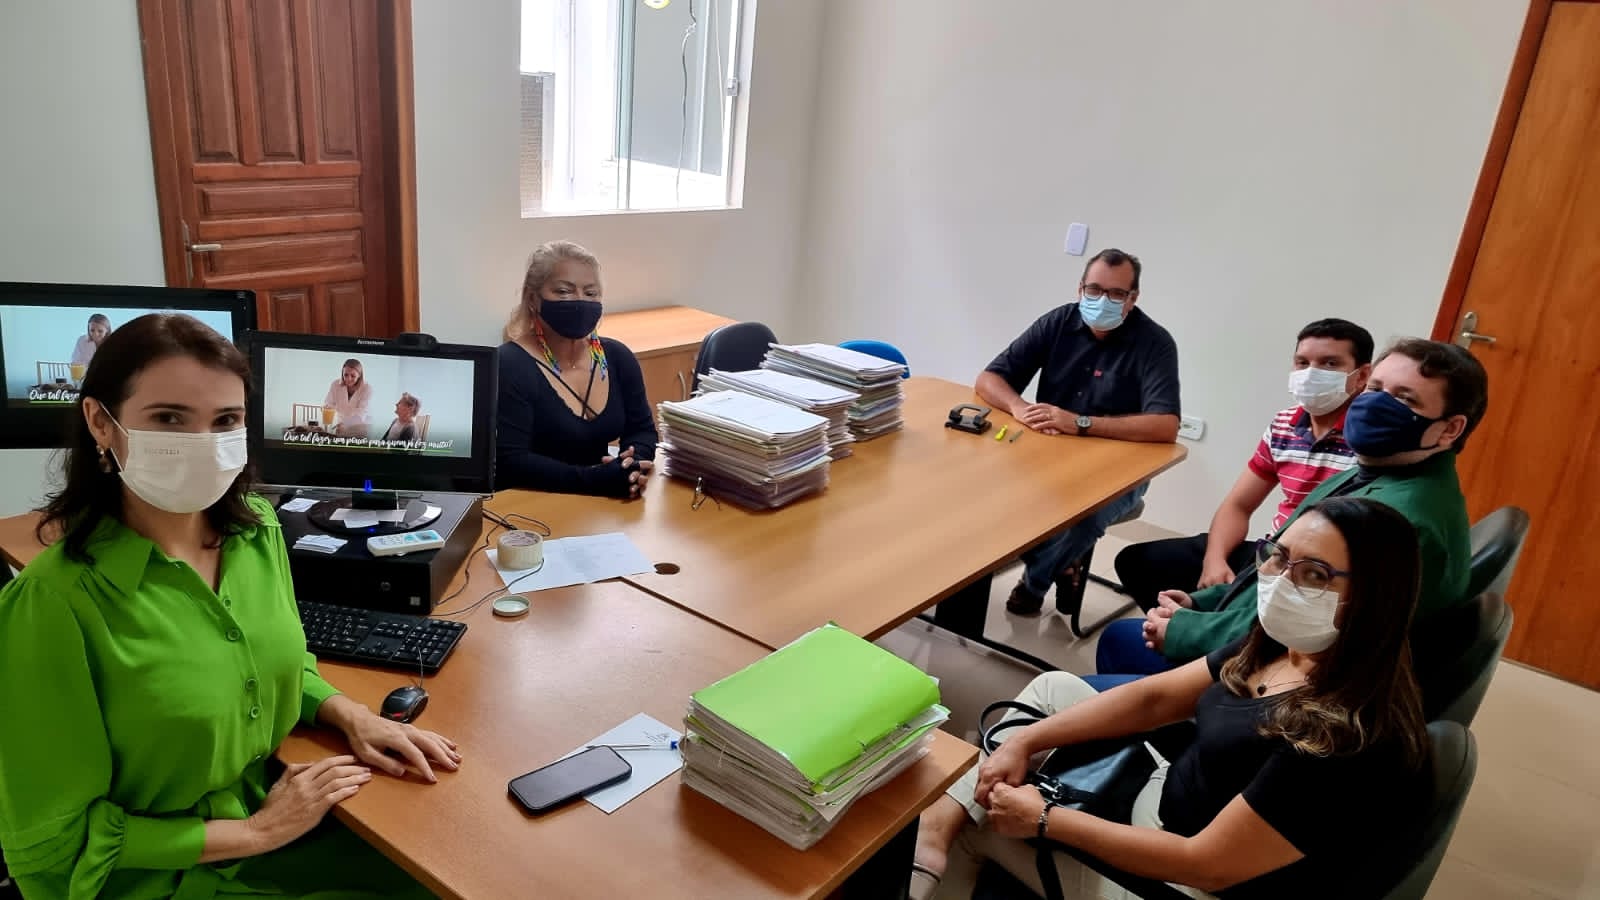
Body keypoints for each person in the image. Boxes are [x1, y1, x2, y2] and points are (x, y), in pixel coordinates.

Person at [0, 314, 460, 899]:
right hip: (158, 878)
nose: (202, 442)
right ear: (101, 422)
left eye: (226, 420)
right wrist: (252, 833)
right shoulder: (51, 605)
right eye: (169, 418)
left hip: (272, 815)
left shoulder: (258, 533)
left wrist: (353, 716)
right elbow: (50, 845)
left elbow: (270, 664)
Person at [911, 497, 1432, 900]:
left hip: (1184, 879)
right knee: (1050, 692)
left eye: (1313, 573)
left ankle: (933, 855)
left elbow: (1203, 864)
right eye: (1277, 556)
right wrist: (1024, 741)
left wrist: (1045, 819)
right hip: (1166, 796)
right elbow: (1156, 699)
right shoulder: (1285, 644)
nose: (1277, 579)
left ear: (1371, 596)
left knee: (977, 826)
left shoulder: (1341, 736)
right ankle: (939, 825)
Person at [1098, 338, 1484, 678]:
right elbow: (1274, 574)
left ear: (1450, 429)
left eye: (1404, 398)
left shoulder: (1392, 520)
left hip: (1282, 682)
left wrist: (1187, 632)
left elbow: (1295, 637)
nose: (1376, 404)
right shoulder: (1379, 474)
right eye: (1376, 388)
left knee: (1120, 639)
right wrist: (1203, 603)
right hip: (1266, 637)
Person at [1113, 319, 1372, 612]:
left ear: (1362, 375)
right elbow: (1238, 504)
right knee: (1137, 562)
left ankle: (1213, 641)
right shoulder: (1284, 424)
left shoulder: (1370, 440)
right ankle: (1187, 637)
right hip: (1274, 551)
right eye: (1302, 362)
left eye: (1329, 364)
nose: (1311, 373)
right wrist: (1215, 559)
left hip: (1318, 572)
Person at [975, 248, 1181, 616]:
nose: (1103, 300)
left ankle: (1035, 583)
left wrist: (1080, 423)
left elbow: (1165, 425)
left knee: (1081, 518)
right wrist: (1019, 408)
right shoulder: (1058, 322)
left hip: (1120, 473)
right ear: (1080, 288)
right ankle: (1065, 564)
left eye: (1116, 294)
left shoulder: (1155, 343)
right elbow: (989, 379)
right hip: (1046, 455)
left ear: (1132, 299)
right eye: (1094, 289)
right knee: (988, 486)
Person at [497, 240, 657, 499]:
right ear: (532, 298)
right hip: (531, 505)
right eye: (564, 291)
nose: (580, 301)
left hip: (601, 503)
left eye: (591, 293)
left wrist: (631, 462)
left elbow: (643, 430)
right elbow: (511, 462)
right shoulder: (509, 364)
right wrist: (595, 480)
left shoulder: (617, 357)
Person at [322, 358, 373, 438]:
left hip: (361, 427)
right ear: (342, 373)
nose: (348, 379)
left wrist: (346, 424)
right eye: (346, 375)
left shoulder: (367, 388)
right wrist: (326, 407)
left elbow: (361, 413)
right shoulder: (335, 384)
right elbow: (329, 403)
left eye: (353, 376)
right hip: (341, 426)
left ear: (359, 375)